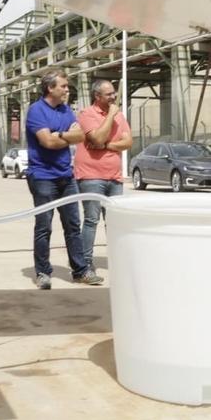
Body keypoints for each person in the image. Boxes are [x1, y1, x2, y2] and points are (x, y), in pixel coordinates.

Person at [24, 70, 104, 290]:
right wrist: (62, 136)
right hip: (42, 177)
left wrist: (57, 135)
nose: (67, 90)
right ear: (50, 88)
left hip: (65, 176)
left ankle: (80, 271)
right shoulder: (36, 111)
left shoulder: (66, 110)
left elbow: (79, 136)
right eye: (64, 86)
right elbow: (47, 143)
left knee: (73, 225)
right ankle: (43, 273)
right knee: (44, 227)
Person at [74, 79, 132, 278]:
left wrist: (107, 145)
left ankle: (118, 260)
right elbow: (96, 138)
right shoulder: (86, 114)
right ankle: (86, 265)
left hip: (114, 177)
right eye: (109, 94)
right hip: (91, 176)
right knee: (91, 220)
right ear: (97, 97)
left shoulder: (119, 116)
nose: (113, 97)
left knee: (114, 221)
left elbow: (128, 142)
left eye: (114, 93)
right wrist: (111, 117)